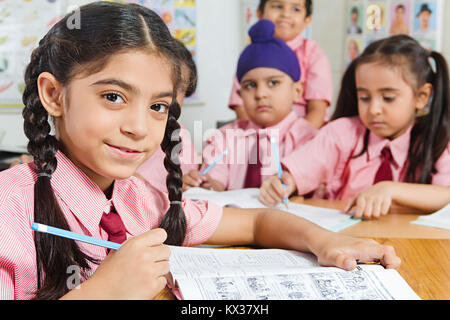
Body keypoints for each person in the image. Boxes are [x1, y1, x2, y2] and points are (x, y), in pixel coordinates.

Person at [0, 2, 401, 300]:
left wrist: (325, 243)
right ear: (54, 94)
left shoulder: (138, 199)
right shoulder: (9, 209)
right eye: (113, 96)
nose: (139, 127)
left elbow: (258, 223)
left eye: (157, 106)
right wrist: (103, 292)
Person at [259, 35, 450, 219]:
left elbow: (446, 195)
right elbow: (302, 169)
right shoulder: (342, 133)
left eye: (388, 98)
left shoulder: (437, 140)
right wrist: (284, 183)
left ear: (422, 96)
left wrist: (390, 189)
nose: (374, 109)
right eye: (364, 97)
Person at [183, 19, 317, 191]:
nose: (260, 94)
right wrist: (205, 185)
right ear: (240, 96)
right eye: (250, 86)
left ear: (297, 91)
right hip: (238, 217)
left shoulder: (309, 139)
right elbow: (215, 179)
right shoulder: (224, 138)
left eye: (273, 83)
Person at [228, 0, 333, 129]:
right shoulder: (251, 55)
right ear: (260, 14)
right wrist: (256, 138)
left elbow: (317, 111)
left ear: (307, 20)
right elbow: (241, 108)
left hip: (303, 138)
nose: (285, 14)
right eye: (277, 6)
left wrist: (297, 140)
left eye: (295, 9)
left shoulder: (314, 54)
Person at [135, 39, 200, 192]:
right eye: (160, 83)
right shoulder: (130, 129)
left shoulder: (182, 137)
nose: (169, 96)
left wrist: (189, 181)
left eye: (178, 88)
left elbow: (187, 179)